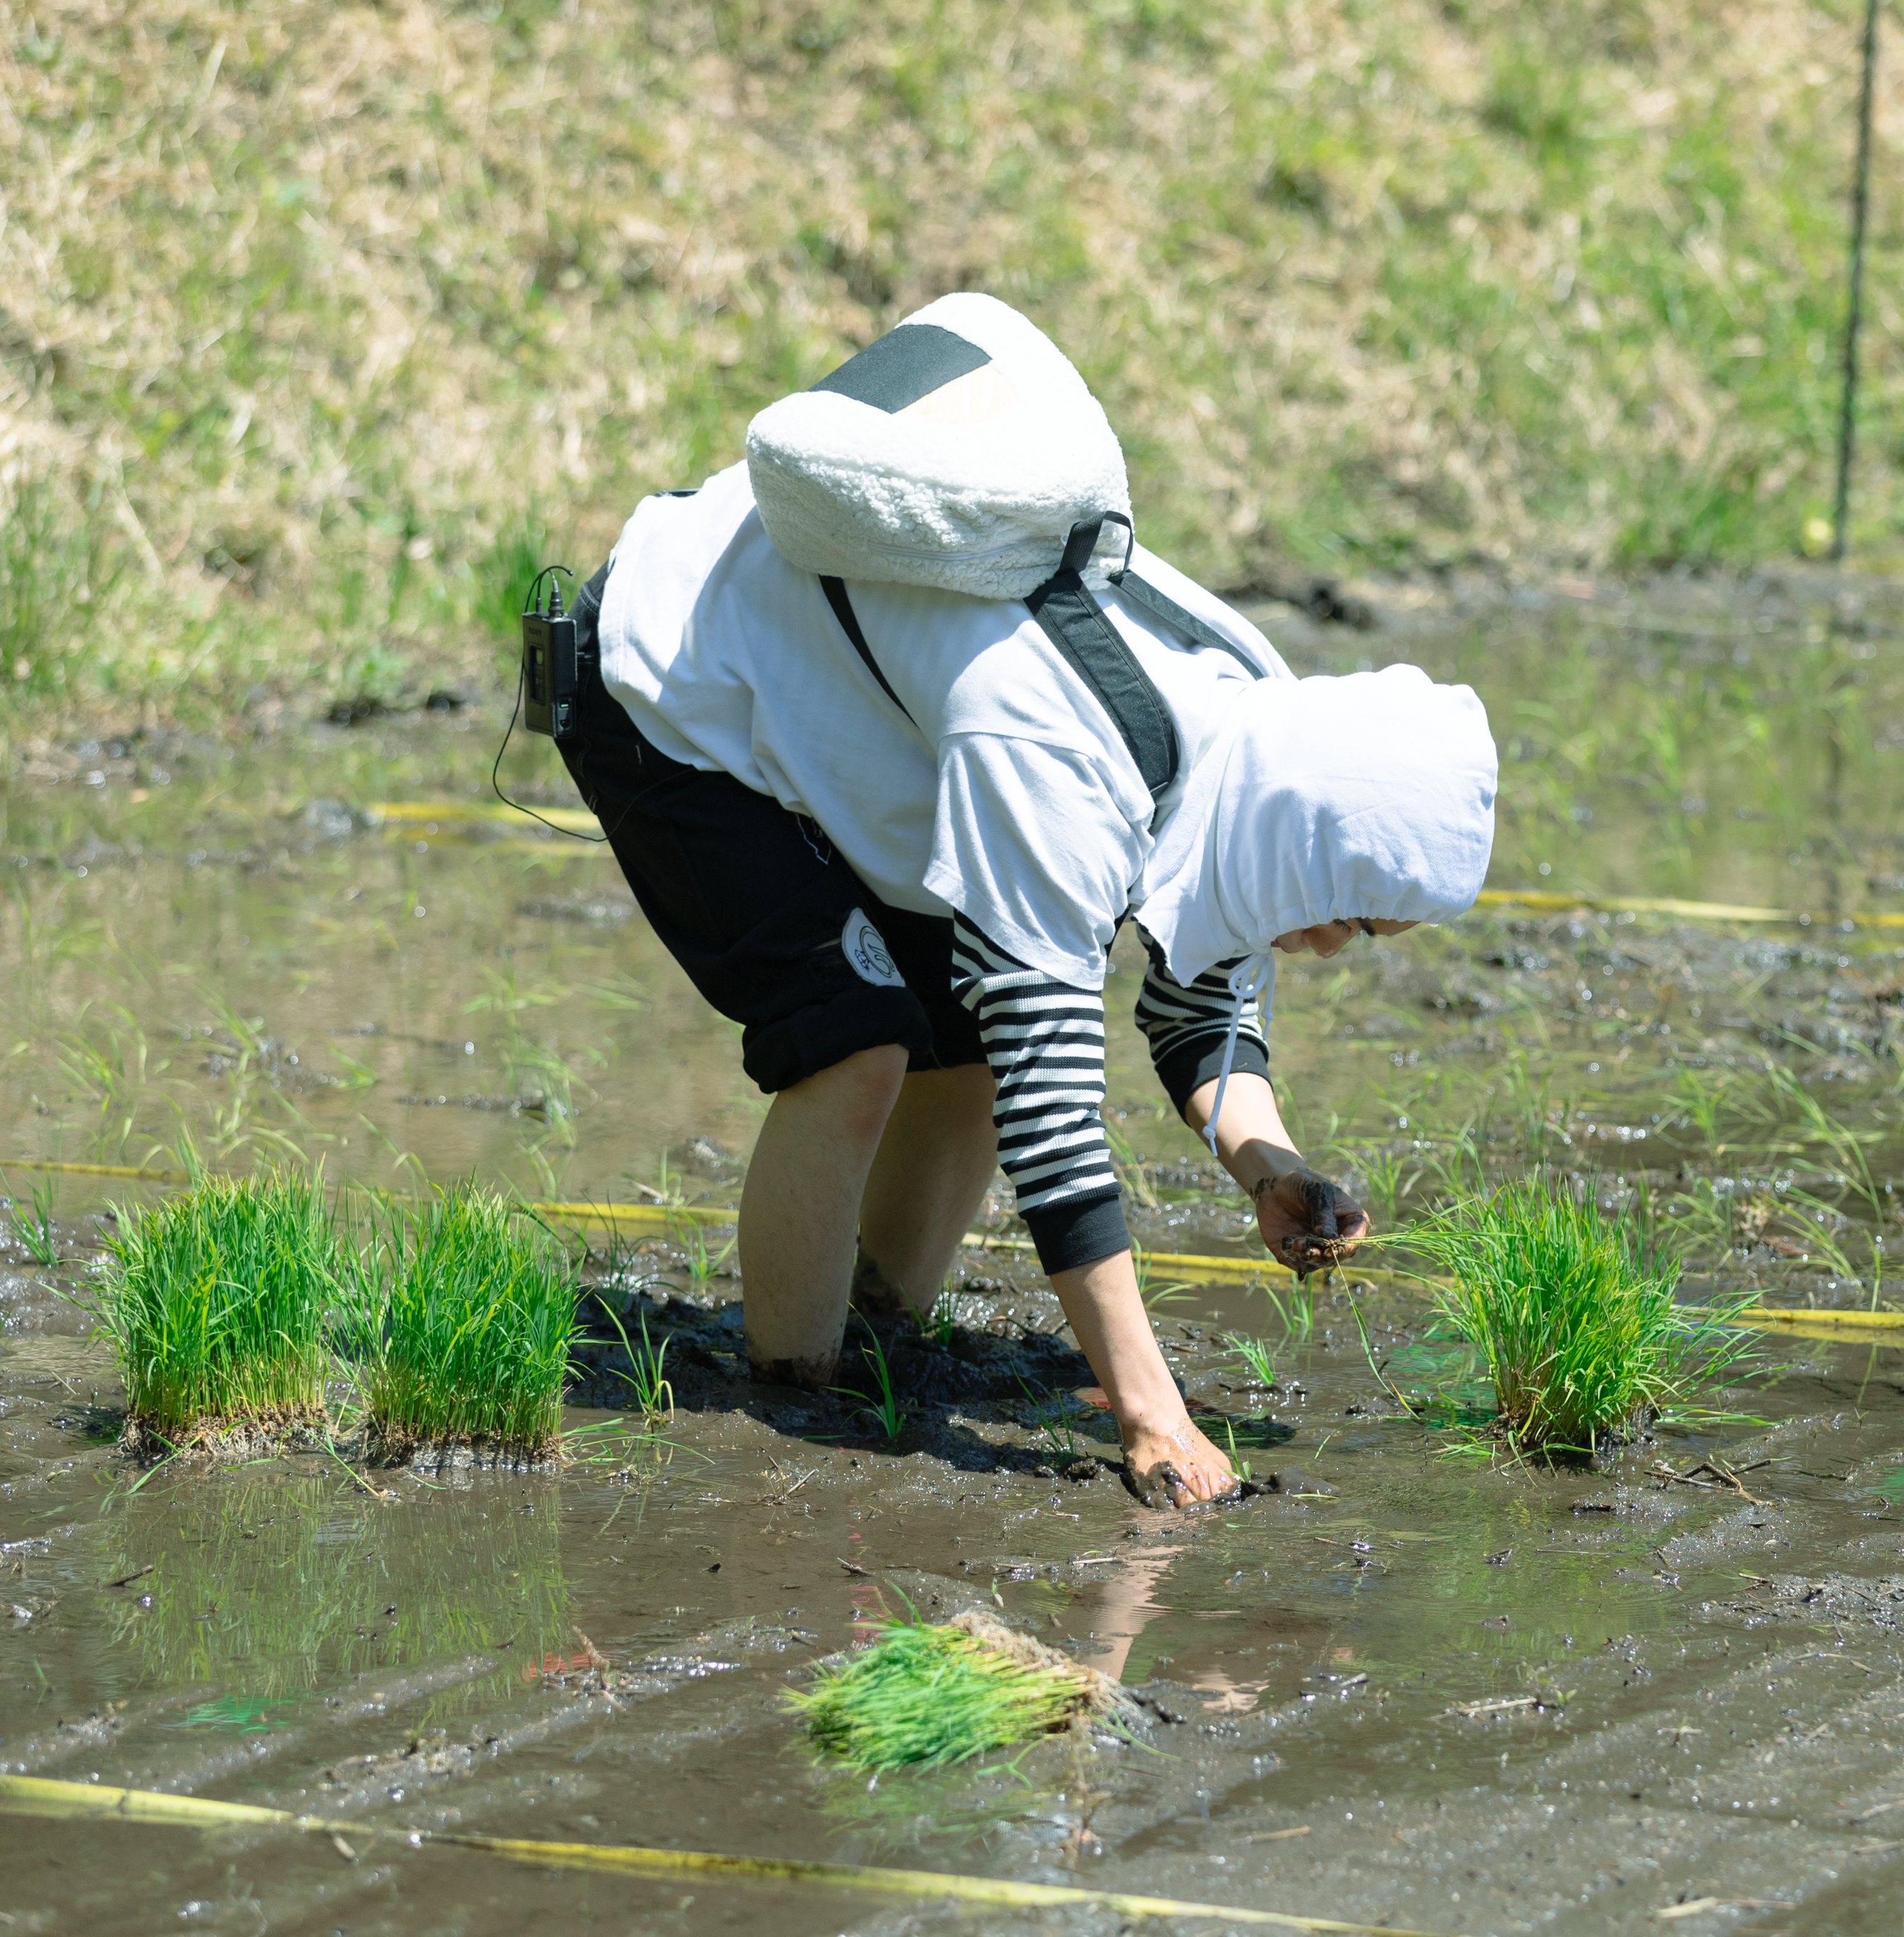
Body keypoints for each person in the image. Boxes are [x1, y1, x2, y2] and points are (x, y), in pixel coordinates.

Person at [552, 292, 1497, 1506]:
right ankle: (793, 1400)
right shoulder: (1072, 766)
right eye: (1354, 920)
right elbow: (1057, 1115)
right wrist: (1154, 1416)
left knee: (964, 1047)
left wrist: (1270, 1167)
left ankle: (880, 1341)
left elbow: (1201, 1009)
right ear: (1317, 850)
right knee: (856, 1043)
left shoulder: (1261, 748)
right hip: (670, 677)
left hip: (862, 711)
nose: (1327, 948)